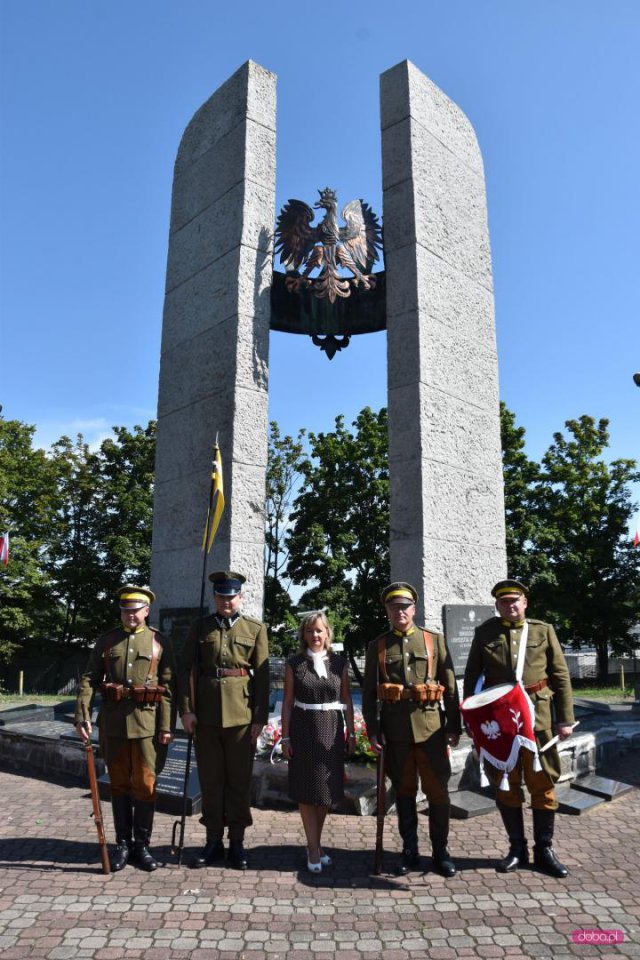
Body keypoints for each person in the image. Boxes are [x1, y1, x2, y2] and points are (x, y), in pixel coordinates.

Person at [463, 579, 575, 878]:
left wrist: (564, 718)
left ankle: (544, 850)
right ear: (497, 605)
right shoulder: (485, 633)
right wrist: (471, 721)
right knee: (507, 785)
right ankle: (517, 848)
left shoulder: (542, 630)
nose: (511, 605)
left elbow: (560, 675)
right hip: (501, 725)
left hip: (537, 720)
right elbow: (473, 675)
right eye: (504, 601)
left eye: (516, 600)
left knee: (543, 785)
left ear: (525, 602)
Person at [362, 582, 461, 877]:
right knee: (404, 792)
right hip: (396, 734)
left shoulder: (433, 641)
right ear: (387, 611)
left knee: (437, 792)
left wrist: (454, 725)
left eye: (404, 606)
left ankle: (441, 851)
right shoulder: (378, 646)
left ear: (414, 609)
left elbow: (451, 686)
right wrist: (373, 729)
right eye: (394, 607)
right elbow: (369, 693)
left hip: (431, 731)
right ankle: (410, 850)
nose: (399, 611)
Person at [75, 584, 175, 872]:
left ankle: (142, 846)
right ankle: (122, 844)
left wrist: (166, 726)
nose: (130, 615)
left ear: (146, 611)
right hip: (114, 724)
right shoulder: (108, 642)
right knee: (118, 783)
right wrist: (83, 716)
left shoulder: (159, 642)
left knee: (145, 785)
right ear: (120, 611)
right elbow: (89, 678)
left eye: (136, 610)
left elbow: (168, 688)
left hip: (146, 725)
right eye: (125, 610)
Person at [179, 571, 269, 870]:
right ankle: (212, 840)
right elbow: (187, 670)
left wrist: (259, 717)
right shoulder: (199, 627)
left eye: (231, 596)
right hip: (205, 716)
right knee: (211, 781)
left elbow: (264, 677)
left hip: (241, 717)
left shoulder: (255, 629)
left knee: (239, 782)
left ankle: (237, 842)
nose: (226, 601)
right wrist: (186, 710)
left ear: (240, 597)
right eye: (221, 596)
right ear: (214, 598)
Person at [280, 612, 355, 873]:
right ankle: (313, 848)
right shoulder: (294, 663)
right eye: (310, 631)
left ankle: (316, 843)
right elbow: (287, 703)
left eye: (319, 631)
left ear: (327, 634)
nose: (315, 636)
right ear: (303, 635)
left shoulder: (339, 663)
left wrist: (353, 734)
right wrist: (285, 736)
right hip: (303, 730)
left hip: (331, 731)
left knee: (325, 793)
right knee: (306, 791)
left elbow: (346, 701)